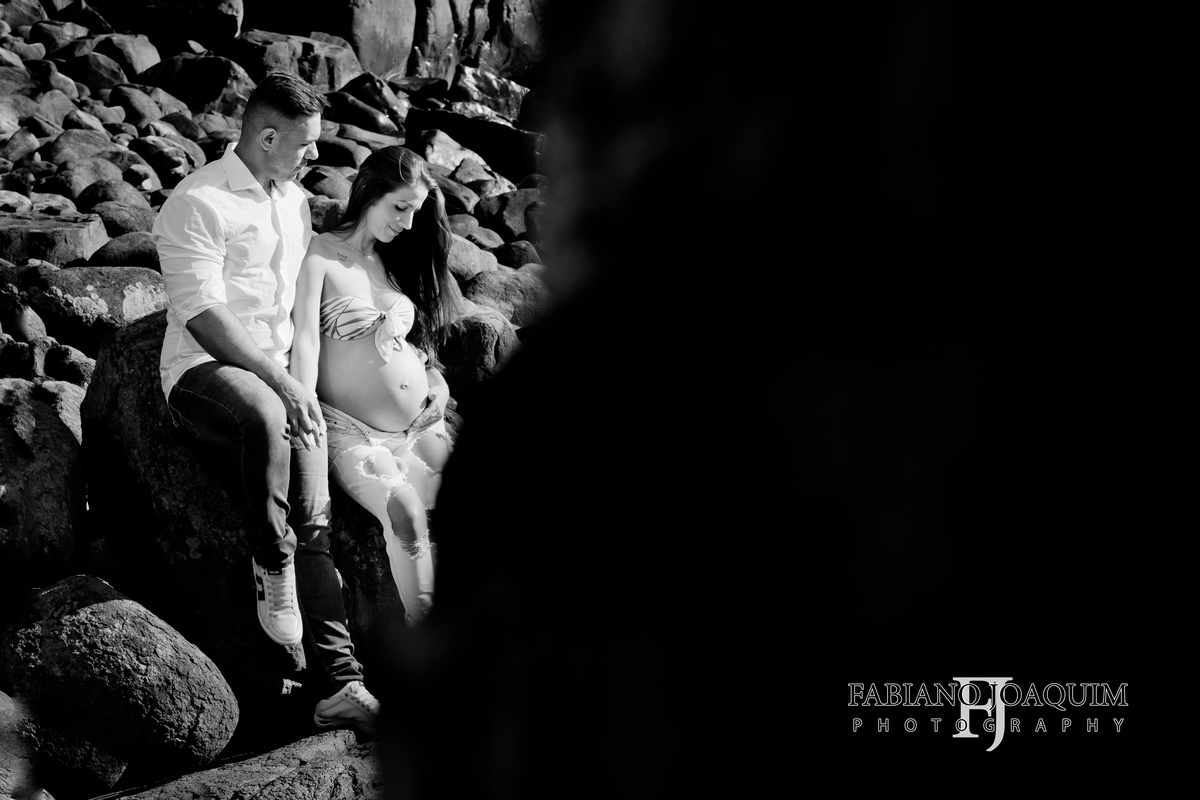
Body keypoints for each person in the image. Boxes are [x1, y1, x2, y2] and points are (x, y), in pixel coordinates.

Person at [153, 70, 379, 735]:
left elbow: (302, 312)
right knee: (268, 415)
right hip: (204, 371)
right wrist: (284, 384)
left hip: (280, 375)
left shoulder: (294, 202)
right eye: (306, 144)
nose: (316, 155)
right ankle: (269, 558)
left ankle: (341, 685)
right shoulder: (198, 202)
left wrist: (318, 379)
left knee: (317, 520)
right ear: (269, 137)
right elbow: (201, 315)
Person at [289, 145, 457, 626]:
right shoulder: (321, 254)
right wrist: (303, 411)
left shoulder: (389, 259)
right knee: (406, 513)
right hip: (353, 431)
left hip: (421, 423)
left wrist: (437, 381)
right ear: (369, 192)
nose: (408, 223)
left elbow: (415, 346)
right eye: (400, 207)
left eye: (415, 211)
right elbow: (306, 341)